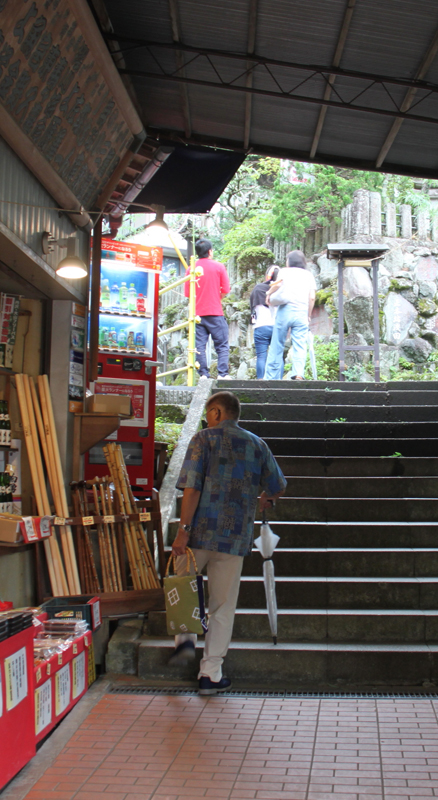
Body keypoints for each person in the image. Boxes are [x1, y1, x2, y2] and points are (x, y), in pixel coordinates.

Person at [169, 390, 286, 695]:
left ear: (218, 413)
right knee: (223, 606)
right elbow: (278, 485)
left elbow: (192, 489)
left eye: (209, 413)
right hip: (234, 538)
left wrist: (182, 530)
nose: (208, 418)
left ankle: (184, 644)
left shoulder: (203, 439)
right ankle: (210, 673)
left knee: (184, 590)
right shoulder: (256, 444)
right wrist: (265, 497)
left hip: (198, 533)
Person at [265, 250, 316, 381]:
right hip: (301, 312)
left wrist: (268, 293)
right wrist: (308, 315)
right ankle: (298, 373)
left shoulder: (284, 271)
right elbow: (312, 297)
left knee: (277, 344)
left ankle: (271, 377)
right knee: (300, 344)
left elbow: (278, 285)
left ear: (289, 261)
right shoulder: (308, 275)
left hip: (285, 311)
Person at [186, 238, 231, 379]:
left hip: (198, 314)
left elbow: (188, 294)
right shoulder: (219, 267)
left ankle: (203, 374)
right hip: (215, 312)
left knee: (199, 346)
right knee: (222, 344)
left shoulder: (191, 269)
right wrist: (217, 299)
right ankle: (222, 374)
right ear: (210, 251)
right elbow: (225, 289)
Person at [249, 266, 279, 380]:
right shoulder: (279, 289)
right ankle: (277, 380)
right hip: (276, 327)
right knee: (277, 355)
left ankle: (260, 380)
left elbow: (252, 309)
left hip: (260, 327)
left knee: (261, 356)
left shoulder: (257, 289)